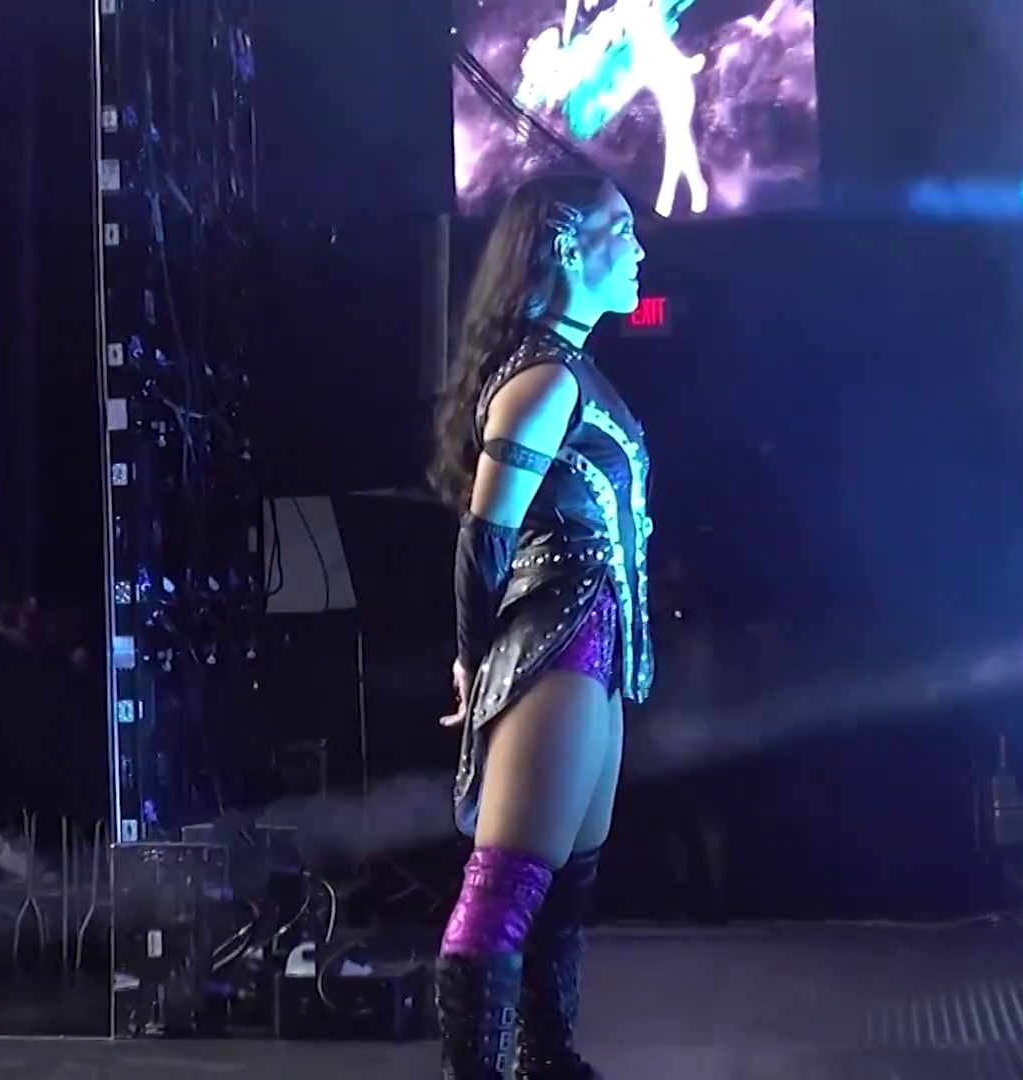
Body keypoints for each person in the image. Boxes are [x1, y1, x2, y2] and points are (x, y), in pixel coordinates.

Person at [429, 172, 652, 1080]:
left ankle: (545, 1063)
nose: (638, 249)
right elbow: (483, 536)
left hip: (593, 646)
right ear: (565, 243)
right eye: (620, 229)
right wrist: (473, 660)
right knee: (507, 890)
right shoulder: (545, 381)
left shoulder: (569, 371)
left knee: (563, 889)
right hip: (554, 642)